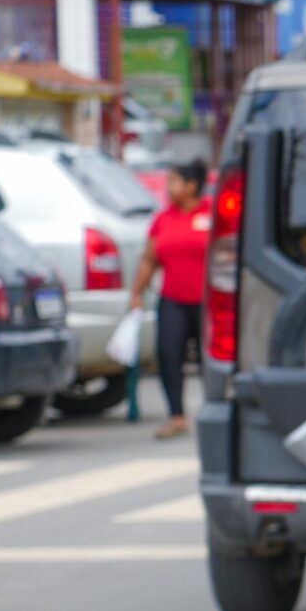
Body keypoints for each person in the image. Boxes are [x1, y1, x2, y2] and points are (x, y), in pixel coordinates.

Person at [129, 160, 212, 439]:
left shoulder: (212, 214)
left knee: (208, 359)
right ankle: (176, 416)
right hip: (173, 298)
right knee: (169, 354)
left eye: (173, 182)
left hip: (207, 302)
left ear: (191, 186)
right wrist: (137, 292)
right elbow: (150, 258)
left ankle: (215, 412)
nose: (168, 188)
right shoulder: (164, 219)